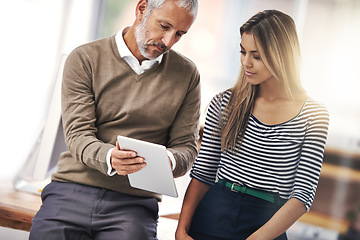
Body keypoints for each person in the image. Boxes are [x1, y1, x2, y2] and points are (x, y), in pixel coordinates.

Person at [29, 0, 200, 239]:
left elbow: (187, 148)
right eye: (164, 26)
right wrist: (110, 158)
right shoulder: (85, 58)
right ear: (141, 9)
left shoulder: (187, 74)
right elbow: (78, 136)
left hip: (134, 203)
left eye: (179, 34)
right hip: (72, 189)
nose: (168, 41)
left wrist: (167, 161)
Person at [175, 9, 329, 240]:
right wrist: (181, 230)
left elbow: (302, 195)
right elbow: (203, 174)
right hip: (213, 215)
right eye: (243, 51)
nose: (246, 62)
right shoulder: (224, 103)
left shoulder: (313, 115)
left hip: (268, 223)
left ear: (282, 55)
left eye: (256, 56)